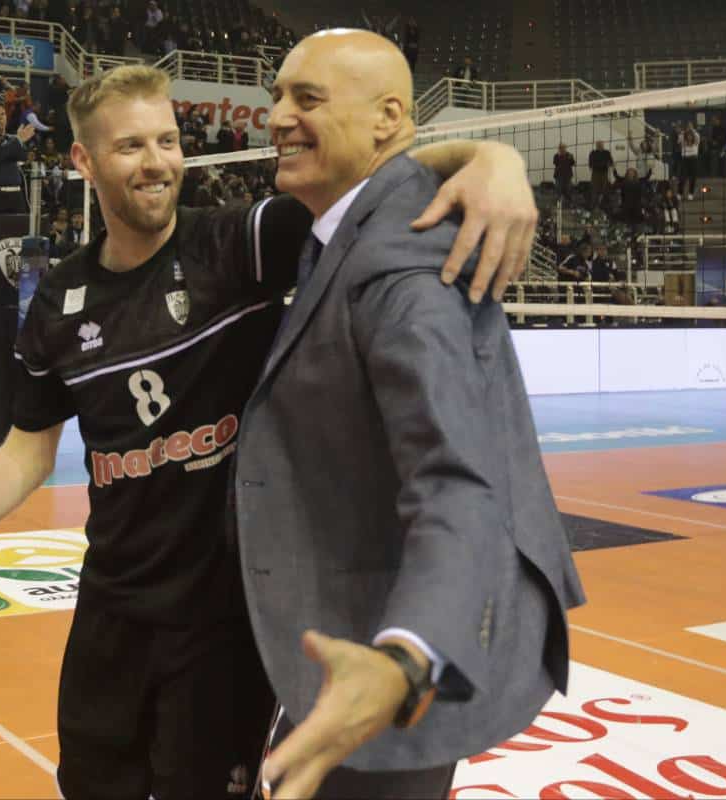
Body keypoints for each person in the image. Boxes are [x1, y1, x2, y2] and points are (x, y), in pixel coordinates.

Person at [0, 65, 537, 799]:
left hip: (223, 624)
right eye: (130, 146)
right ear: (85, 161)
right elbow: (27, 453)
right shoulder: (59, 301)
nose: (156, 162)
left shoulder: (237, 244)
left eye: (168, 141)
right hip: (111, 611)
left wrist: (490, 160)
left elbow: (370, 185)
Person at [236, 30, 584, 799]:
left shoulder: (405, 260)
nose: (277, 116)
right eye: (278, 95)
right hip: (357, 611)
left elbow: (458, 482)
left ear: (388, 118)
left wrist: (405, 657)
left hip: (399, 640)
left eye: (307, 98)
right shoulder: (356, 222)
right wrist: (486, 154)